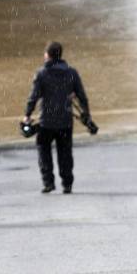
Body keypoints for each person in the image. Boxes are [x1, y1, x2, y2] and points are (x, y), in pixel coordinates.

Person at [22, 41, 90, 194]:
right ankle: (67, 184)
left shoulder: (42, 74)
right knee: (65, 153)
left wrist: (27, 115)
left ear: (48, 55)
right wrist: (87, 115)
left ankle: (48, 183)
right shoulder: (72, 73)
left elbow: (33, 97)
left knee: (43, 150)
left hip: (46, 122)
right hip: (65, 121)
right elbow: (82, 96)